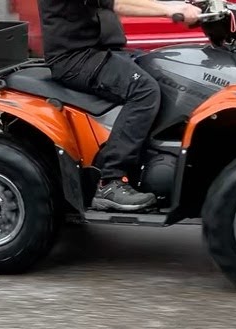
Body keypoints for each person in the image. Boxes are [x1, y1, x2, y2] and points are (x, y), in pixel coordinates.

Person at [38, 0, 201, 212]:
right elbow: (118, 2)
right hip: (76, 57)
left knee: (165, 71)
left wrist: (183, 4)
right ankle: (109, 180)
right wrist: (171, 10)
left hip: (104, 50)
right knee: (144, 90)